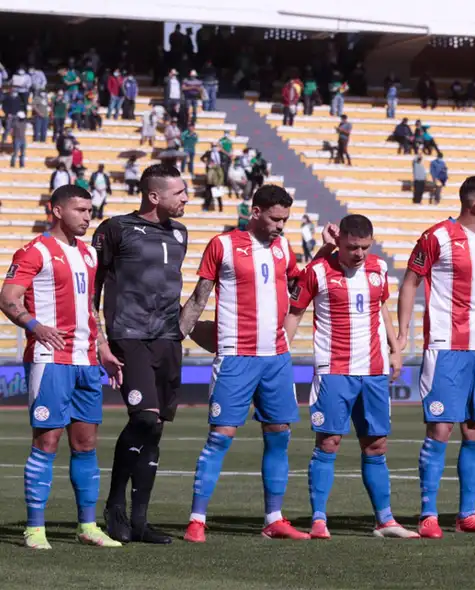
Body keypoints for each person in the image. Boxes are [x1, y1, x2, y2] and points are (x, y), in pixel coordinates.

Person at [179, 185, 323, 543]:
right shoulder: (223, 245)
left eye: (285, 220)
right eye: (275, 219)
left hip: (276, 358)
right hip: (236, 357)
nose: (281, 226)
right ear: (255, 212)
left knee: (279, 436)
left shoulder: (283, 247)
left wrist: (326, 251)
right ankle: (197, 519)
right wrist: (174, 338)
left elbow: (299, 283)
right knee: (220, 437)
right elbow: (200, 297)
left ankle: (274, 518)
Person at [1, 184, 124, 550]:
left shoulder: (88, 255)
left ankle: (87, 526)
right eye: (79, 210)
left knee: (86, 444)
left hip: (85, 361)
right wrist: (35, 327)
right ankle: (35, 528)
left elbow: (89, 309)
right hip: (50, 360)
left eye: (90, 210)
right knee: (47, 441)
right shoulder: (34, 251)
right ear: (56, 211)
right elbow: (8, 299)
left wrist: (102, 348)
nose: (87, 217)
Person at [284, 215, 419, 539]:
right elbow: (295, 311)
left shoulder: (379, 268)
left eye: (364, 247)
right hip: (334, 370)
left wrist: (395, 349)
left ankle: (385, 521)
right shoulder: (318, 271)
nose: (359, 253)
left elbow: (381, 307)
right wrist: (280, 354)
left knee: (376, 444)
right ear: (339, 242)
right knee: (328, 442)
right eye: (352, 247)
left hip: (373, 370)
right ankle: (319, 519)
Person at [397, 176, 475, 538]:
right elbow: (411, 282)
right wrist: (403, 334)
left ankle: (467, 514)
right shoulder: (437, 237)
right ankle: (428, 514)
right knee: (441, 427)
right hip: (446, 346)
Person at [92, 164, 190, 544]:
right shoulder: (115, 229)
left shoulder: (180, 233)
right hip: (128, 334)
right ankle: (115, 505)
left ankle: (140, 521)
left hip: (168, 338)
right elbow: (93, 286)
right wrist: (100, 340)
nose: (185, 198)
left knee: (157, 428)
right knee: (145, 420)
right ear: (154, 196)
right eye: (179, 192)